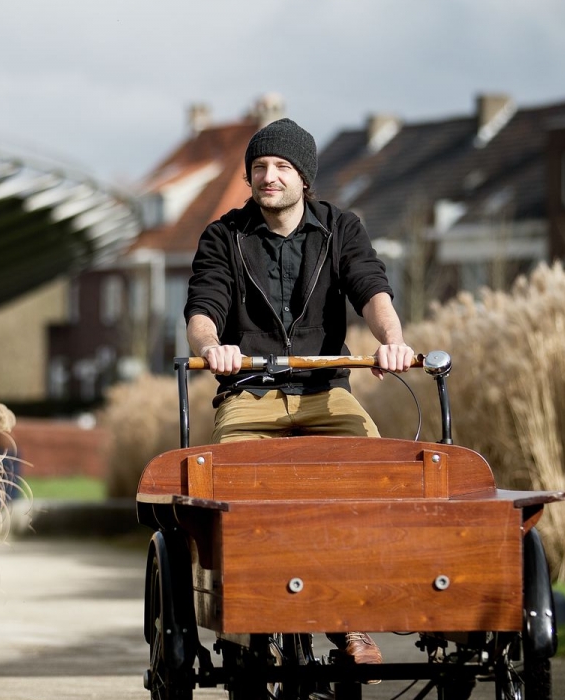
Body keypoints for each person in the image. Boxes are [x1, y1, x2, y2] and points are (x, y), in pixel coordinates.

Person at [183, 117, 414, 669]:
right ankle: (250, 611)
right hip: (248, 394)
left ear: (304, 178)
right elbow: (202, 308)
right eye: (259, 167)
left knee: (373, 469)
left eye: (282, 167)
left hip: (324, 392)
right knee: (230, 483)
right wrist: (213, 346)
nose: (269, 177)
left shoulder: (342, 228)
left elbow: (371, 287)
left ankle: (351, 619)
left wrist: (394, 341)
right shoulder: (223, 235)